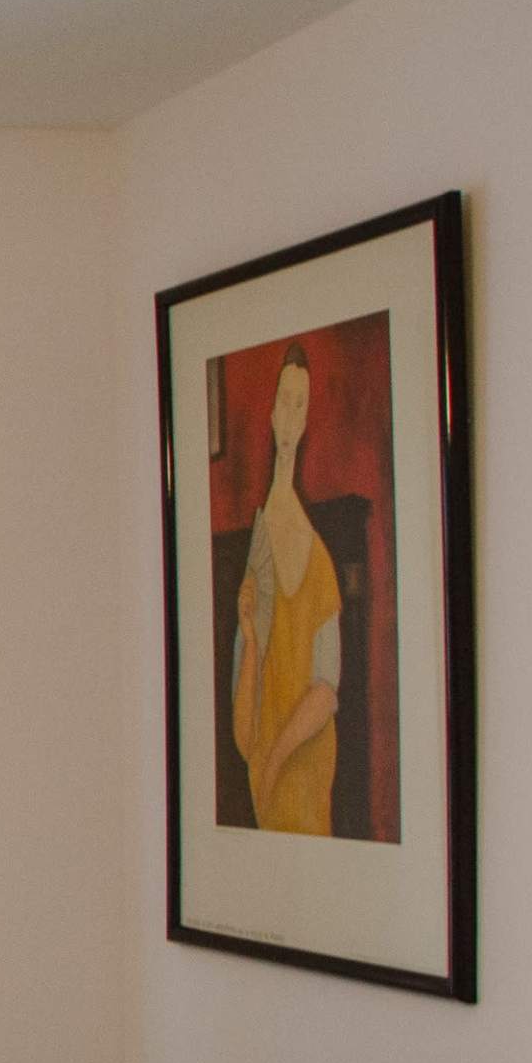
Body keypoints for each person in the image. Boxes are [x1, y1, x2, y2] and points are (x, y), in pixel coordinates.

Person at [231, 345, 341, 834]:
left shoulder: (319, 561)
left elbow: (325, 690)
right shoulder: (257, 559)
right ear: (273, 415)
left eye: (302, 405)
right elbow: (241, 735)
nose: (292, 417)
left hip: (305, 772)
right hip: (265, 788)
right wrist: (251, 639)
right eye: (285, 402)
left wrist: (276, 758)